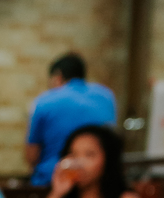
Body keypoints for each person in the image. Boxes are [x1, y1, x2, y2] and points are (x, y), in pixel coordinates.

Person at [25, 54, 117, 188]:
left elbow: (32, 156)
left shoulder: (44, 101)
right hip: (100, 184)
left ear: (58, 76)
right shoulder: (107, 97)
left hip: (53, 182)